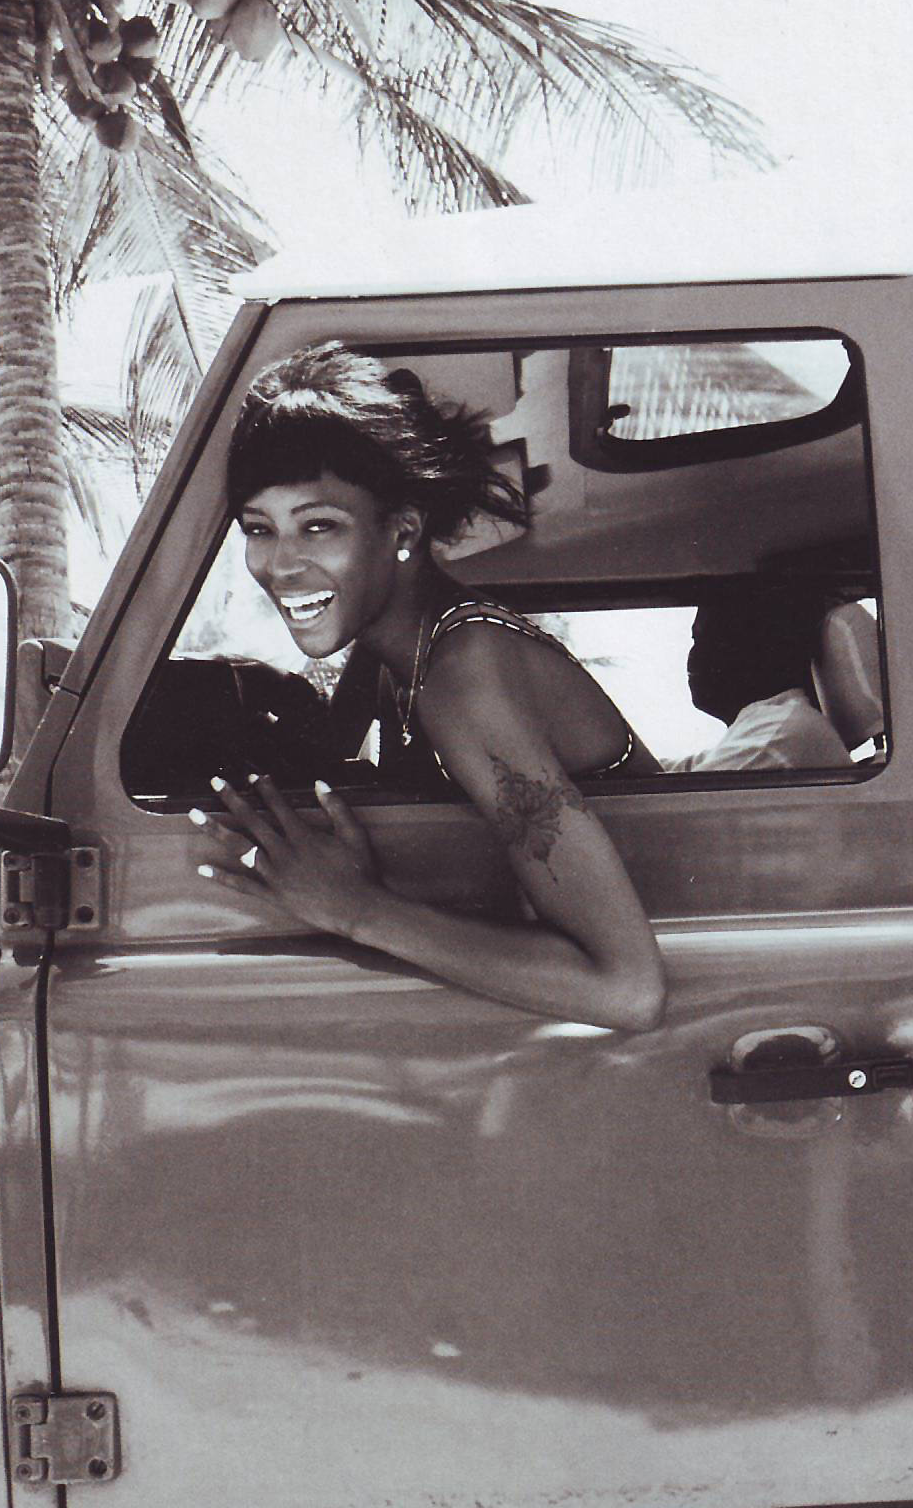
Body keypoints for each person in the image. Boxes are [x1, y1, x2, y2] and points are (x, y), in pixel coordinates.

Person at [193, 342, 666, 1030]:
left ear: (403, 529)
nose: (281, 564)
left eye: (319, 526)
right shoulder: (395, 649)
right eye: (259, 529)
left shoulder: (464, 674)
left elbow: (625, 989)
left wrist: (356, 911)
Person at [668, 581, 854, 772]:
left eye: (713, 641)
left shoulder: (777, 733)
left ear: (761, 650)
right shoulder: (772, 724)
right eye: (696, 640)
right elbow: (674, 772)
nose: (694, 655)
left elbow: (673, 792)